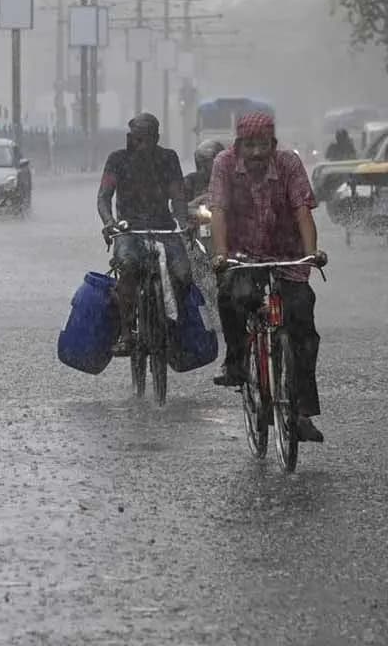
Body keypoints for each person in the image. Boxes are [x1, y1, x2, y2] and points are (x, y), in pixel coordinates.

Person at [209, 112, 328, 443]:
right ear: (238, 145)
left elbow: (302, 212)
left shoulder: (289, 164)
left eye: (263, 145)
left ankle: (302, 411)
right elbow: (218, 211)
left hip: (286, 252)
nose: (257, 152)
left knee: (302, 323)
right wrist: (220, 256)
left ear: (273, 144)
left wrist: (312, 252)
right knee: (232, 297)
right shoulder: (224, 164)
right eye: (249, 145)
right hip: (242, 253)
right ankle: (236, 363)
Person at [96, 112, 192, 356]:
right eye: (135, 138)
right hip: (129, 230)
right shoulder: (117, 159)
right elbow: (104, 197)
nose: (139, 144)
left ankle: (177, 330)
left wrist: (183, 222)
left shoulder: (168, 159)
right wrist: (109, 222)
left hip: (164, 229)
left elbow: (178, 196)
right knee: (128, 268)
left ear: (156, 138)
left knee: (183, 275)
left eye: (145, 139)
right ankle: (127, 333)